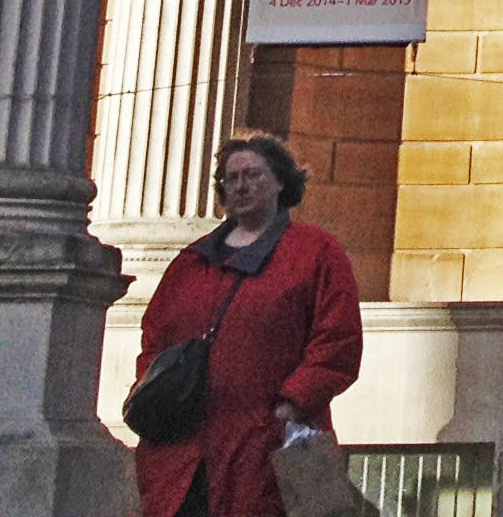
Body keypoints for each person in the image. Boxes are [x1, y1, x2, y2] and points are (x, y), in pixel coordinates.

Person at [134, 135, 363, 517]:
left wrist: (292, 405)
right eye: (231, 177)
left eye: (253, 175)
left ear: (281, 182)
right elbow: (155, 338)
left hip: (265, 444)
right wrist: (154, 392)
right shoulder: (190, 262)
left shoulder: (316, 252)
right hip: (181, 451)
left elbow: (337, 339)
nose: (240, 185)